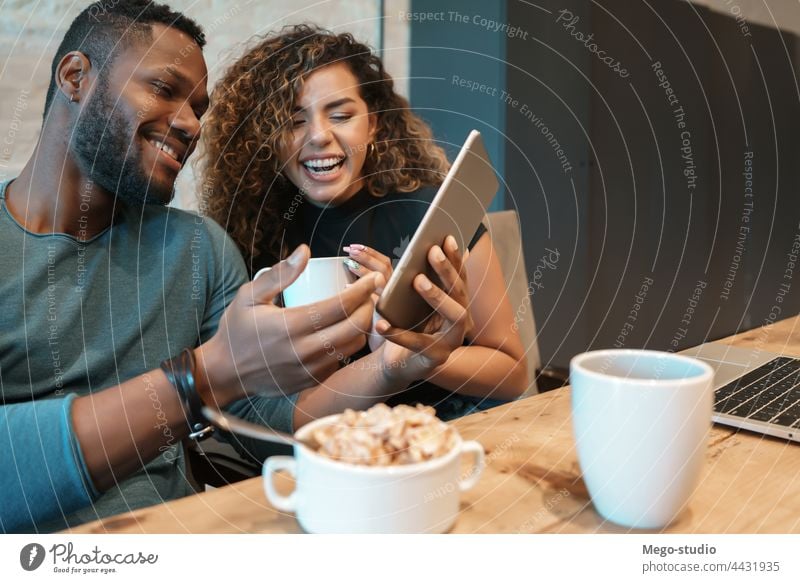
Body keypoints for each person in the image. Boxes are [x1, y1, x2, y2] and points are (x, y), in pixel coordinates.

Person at [0, 2, 468, 533]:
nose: (188, 124)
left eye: (199, 106)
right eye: (163, 88)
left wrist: (393, 366)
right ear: (76, 77)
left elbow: (270, 421)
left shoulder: (197, 250)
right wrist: (204, 376)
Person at [201, 25, 528, 423]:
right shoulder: (247, 237)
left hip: (444, 434)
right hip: (327, 449)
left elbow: (512, 372)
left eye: (341, 114)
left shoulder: (431, 215)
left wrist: (415, 351)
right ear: (263, 138)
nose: (320, 136)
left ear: (372, 123)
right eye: (292, 121)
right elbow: (268, 407)